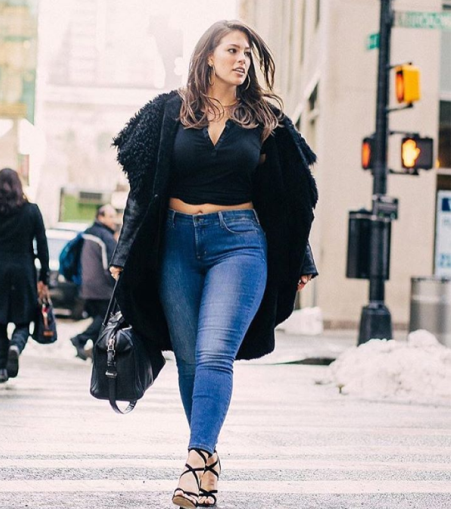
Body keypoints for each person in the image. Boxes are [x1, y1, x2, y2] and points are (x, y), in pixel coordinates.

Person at [110, 20, 318, 508]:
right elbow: (144, 188)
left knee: (214, 353)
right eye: (233, 50)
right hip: (176, 244)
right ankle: (206, 463)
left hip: (239, 244)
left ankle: (195, 460)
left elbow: (287, 197)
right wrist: (123, 254)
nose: (242, 60)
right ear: (209, 56)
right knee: (188, 359)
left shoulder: (265, 120)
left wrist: (300, 256)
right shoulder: (169, 112)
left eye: (247, 54)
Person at [0, 168, 49, 383]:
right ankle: (16, 345)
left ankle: (1, 369)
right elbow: (42, 245)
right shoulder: (32, 211)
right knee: (24, 320)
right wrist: (44, 277)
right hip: (23, 271)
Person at [70, 204, 117, 360]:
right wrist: (116, 284)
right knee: (107, 316)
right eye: (110, 216)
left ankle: (97, 353)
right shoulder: (105, 237)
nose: (114, 220)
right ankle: (80, 339)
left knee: (99, 317)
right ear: (100, 217)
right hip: (101, 287)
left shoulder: (88, 233)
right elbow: (110, 265)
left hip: (86, 284)